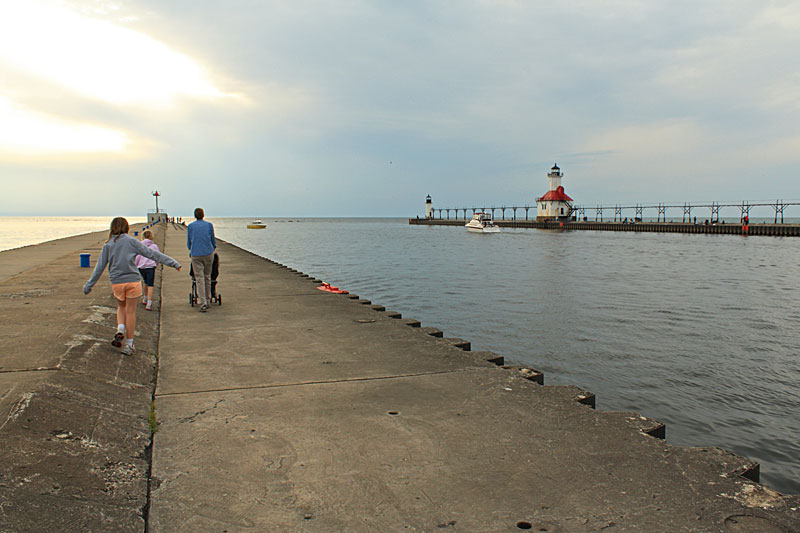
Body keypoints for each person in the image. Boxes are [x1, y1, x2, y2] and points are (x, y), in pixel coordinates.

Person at [84, 217, 181, 355]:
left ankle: (120, 328)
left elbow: (99, 267)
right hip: (133, 281)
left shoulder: (108, 245)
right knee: (131, 312)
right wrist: (173, 263)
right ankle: (129, 345)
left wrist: (89, 285)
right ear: (126, 228)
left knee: (121, 307)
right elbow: (152, 254)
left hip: (117, 282)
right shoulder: (132, 242)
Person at [187, 207, 216, 312]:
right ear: (203, 215)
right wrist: (213, 248)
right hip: (208, 253)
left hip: (196, 254)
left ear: (195, 215)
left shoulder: (190, 226)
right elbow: (213, 239)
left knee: (199, 278)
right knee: (207, 277)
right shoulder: (209, 225)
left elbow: (189, 242)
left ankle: (202, 302)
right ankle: (208, 300)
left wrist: (192, 249)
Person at [135, 230, 159, 311]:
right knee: (150, 284)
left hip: (141, 267)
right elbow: (157, 256)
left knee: (145, 282)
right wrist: (155, 263)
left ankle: (145, 298)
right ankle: (149, 303)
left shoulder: (140, 245)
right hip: (150, 266)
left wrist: (137, 264)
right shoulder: (154, 246)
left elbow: (137, 257)